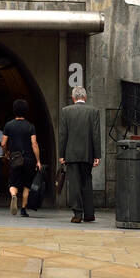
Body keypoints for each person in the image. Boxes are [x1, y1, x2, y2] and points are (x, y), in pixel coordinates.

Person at [58, 85, 101, 223]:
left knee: (75, 183)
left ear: (73, 97)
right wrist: (97, 155)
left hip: (71, 154)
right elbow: (96, 135)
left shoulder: (66, 111)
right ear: (85, 97)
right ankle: (89, 214)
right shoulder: (93, 111)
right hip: (88, 153)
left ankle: (77, 214)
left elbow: (63, 134)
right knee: (87, 181)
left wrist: (61, 154)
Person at [2, 98, 40, 216]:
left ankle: (14, 196)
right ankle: (23, 210)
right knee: (26, 185)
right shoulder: (30, 126)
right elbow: (34, 144)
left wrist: (6, 152)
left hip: (15, 158)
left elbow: (3, 143)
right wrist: (38, 160)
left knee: (13, 183)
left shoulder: (8, 125)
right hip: (28, 159)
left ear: (14, 110)